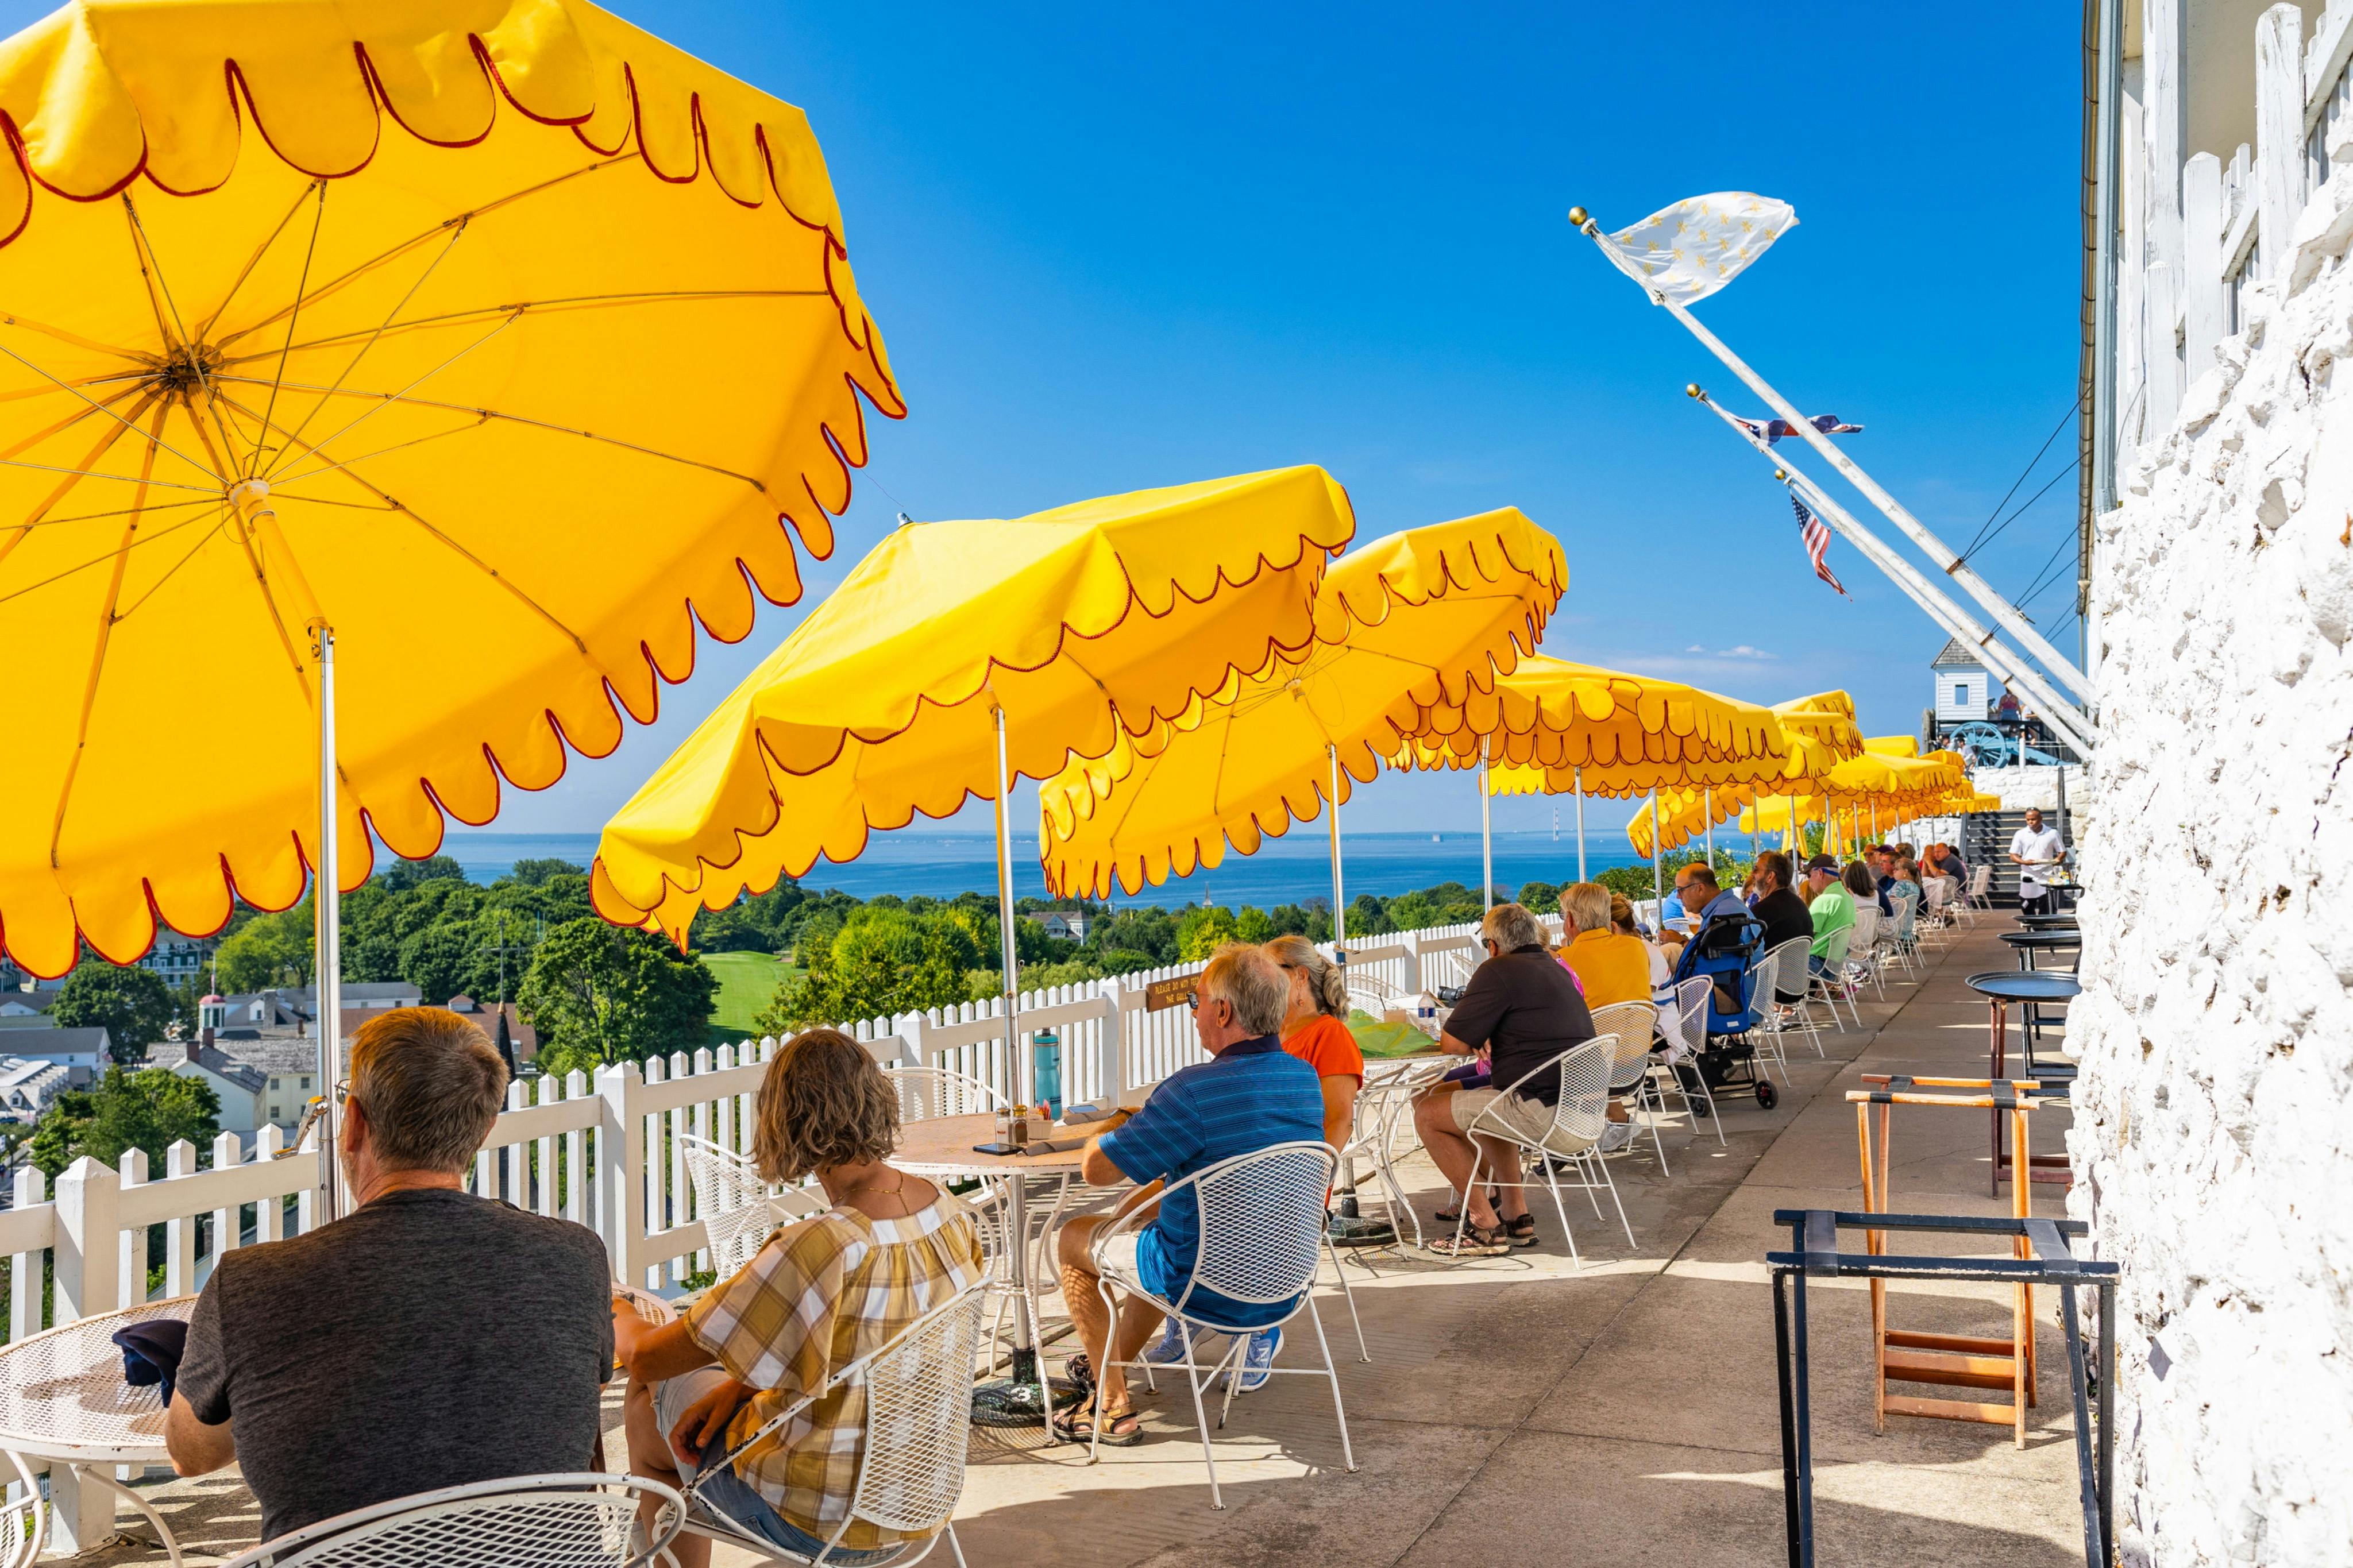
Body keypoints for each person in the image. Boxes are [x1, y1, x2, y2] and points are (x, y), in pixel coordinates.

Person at [168, 1009, 613, 1545]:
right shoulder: (576, 1257)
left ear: (353, 1122)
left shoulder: (251, 1284)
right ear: (483, 1128)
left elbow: (189, 1455)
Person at [616, 1028, 983, 1567]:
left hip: (821, 1520)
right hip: (919, 1499)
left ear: (783, 1119)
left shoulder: (821, 1245)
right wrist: (737, 1389)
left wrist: (618, 1308)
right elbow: (858, 1347)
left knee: (647, 1403)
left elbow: (645, 1355)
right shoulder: (946, 1212)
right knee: (707, 1396)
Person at [1054, 945, 1324, 1443]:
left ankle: (1110, 1403)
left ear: (1223, 1011)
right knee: (1154, 1227)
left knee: (1075, 1238)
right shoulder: (1303, 1079)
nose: (1195, 1013)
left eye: (1196, 1003)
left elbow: (1097, 1170)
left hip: (1207, 1286)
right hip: (1286, 1280)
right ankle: (1108, 1370)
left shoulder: (1191, 1091)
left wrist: (1117, 1124)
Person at [1410, 903, 1596, 1257]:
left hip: (1543, 1112)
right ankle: (1516, 1215)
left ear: (1493, 945)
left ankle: (1483, 1223)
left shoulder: (1498, 969)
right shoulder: (1555, 968)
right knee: (1491, 1101)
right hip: (1582, 1111)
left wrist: (1477, 1032)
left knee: (1428, 1113)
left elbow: (1452, 1043)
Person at [1556, 882, 1653, 1008]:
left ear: (1569, 920)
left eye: (1563, 915)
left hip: (1594, 1028)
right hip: (1641, 1026)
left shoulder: (1564, 959)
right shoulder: (1636, 945)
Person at [1748, 851, 1815, 1001]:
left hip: (1770, 988)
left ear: (1770, 877)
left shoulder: (1763, 910)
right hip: (1798, 986)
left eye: (1756, 869)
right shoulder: (1800, 906)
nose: (1752, 874)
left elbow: (1741, 946)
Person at [1803, 853, 1856, 980]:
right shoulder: (1848, 898)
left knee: (1770, 965)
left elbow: (1804, 936)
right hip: (1834, 965)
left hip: (1817, 965)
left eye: (1809, 875)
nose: (1808, 880)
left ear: (1820, 873)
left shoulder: (1824, 900)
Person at [2009, 806, 2067, 916]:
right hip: (2028, 874)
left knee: (2047, 907)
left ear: (2041, 819)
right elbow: (2013, 855)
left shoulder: (2052, 833)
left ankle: (2045, 930)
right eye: (2028, 820)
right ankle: (2033, 928)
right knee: (2027, 906)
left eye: (2033, 819)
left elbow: (2062, 851)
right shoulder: (2020, 834)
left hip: (2046, 874)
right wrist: (2025, 862)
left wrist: (2058, 860)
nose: (2030, 822)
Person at [1611, 893, 1674, 991]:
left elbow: (1644, 995)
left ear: (1613, 927)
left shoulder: (1646, 951)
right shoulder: (1632, 946)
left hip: (1657, 1005)